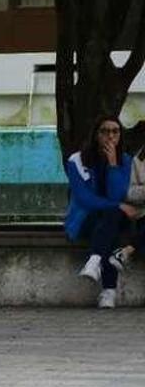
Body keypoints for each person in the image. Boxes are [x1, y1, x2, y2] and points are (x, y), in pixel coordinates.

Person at [65, 116, 143, 308]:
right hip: (86, 219)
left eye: (115, 131)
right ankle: (109, 291)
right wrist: (116, 206)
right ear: (96, 135)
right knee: (112, 221)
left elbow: (117, 194)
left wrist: (113, 165)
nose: (110, 136)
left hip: (115, 218)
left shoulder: (125, 161)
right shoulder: (76, 160)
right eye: (105, 131)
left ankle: (94, 261)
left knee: (112, 218)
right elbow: (85, 199)